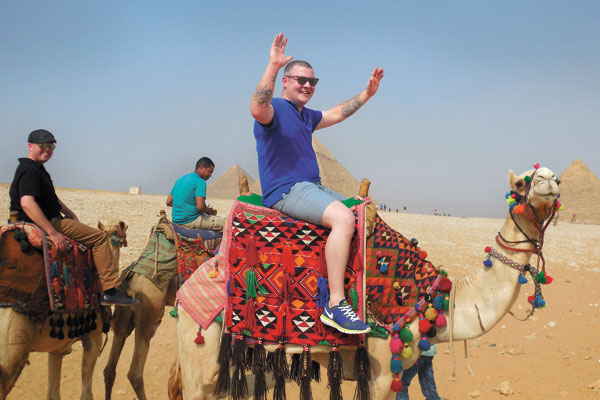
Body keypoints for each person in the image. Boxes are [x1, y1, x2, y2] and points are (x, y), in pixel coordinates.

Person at [250, 33, 384, 334]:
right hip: (287, 190)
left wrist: (366, 94)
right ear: (285, 81)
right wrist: (272, 65)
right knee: (343, 217)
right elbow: (258, 108)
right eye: (300, 80)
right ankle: (335, 304)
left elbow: (336, 113)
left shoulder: (304, 115)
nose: (307, 85)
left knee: (364, 210)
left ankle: (362, 291)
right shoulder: (275, 110)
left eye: (312, 82)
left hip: (313, 186)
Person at [9, 129, 139, 306]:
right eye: (42, 145)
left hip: (43, 218)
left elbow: (50, 197)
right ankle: (109, 291)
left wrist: (69, 212)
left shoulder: (35, 169)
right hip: (49, 222)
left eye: (51, 146)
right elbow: (27, 203)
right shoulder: (30, 170)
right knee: (100, 239)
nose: (47, 149)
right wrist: (52, 233)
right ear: (30, 146)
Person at [166, 157, 225, 231]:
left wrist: (184, 206)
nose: (210, 175)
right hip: (191, 221)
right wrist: (210, 211)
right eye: (209, 171)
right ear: (202, 167)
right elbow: (200, 207)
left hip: (176, 221)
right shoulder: (200, 182)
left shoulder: (180, 180)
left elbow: (168, 202)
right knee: (226, 223)